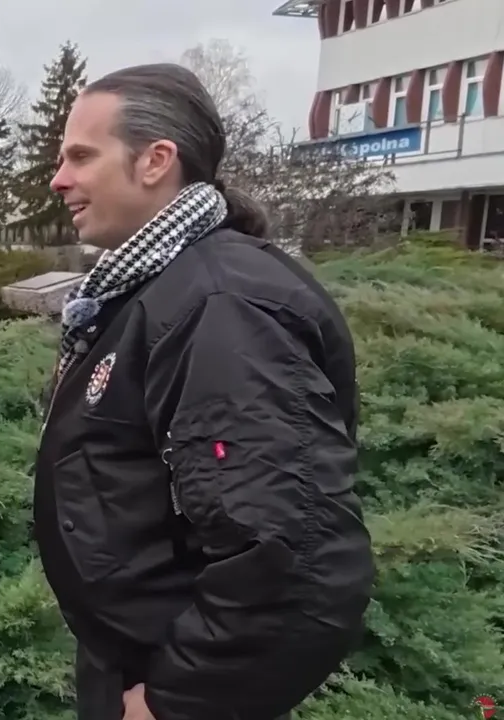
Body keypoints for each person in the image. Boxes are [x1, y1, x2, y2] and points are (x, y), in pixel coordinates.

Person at [33, 63, 375, 720]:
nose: (59, 179)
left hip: (171, 688)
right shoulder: (151, 291)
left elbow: (293, 555)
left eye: (80, 156)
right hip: (135, 665)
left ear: (156, 161)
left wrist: (177, 699)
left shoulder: (222, 308)